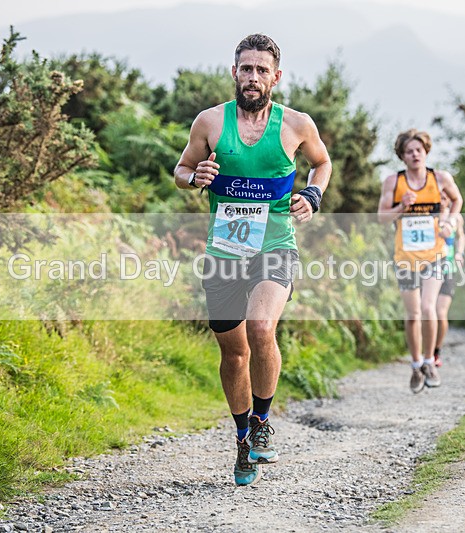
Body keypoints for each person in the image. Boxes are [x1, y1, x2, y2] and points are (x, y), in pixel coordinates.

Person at [173, 34, 331, 486]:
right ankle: (243, 437)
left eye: (262, 70)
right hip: (225, 251)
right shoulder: (209, 123)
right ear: (234, 72)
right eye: (246, 68)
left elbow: (322, 163)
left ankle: (262, 421)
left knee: (261, 328)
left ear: (276, 77)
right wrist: (194, 176)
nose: (253, 77)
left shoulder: (296, 125)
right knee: (234, 353)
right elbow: (181, 170)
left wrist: (313, 193)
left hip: (276, 246)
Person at [377, 129, 462, 393]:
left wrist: (448, 221)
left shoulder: (440, 178)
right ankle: (415, 366)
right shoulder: (393, 182)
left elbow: (457, 200)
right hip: (405, 258)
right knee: (413, 314)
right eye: (409, 151)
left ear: (426, 151)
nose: (414, 155)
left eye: (418, 150)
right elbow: (381, 217)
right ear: (402, 156)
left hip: (434, 255)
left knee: (429, 309)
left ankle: (429, 362)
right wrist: (401, 206)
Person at [434, 191, 465, 367]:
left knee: (440, 313)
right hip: (429, 268)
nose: (442, 201)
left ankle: (436, 351)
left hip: (448, 269)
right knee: (427, 311)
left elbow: (461, 236)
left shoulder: (456, 218)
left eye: (445, 198)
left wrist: (459, 253)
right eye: (439, 197)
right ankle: (427, 349)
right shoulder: (429, 216)